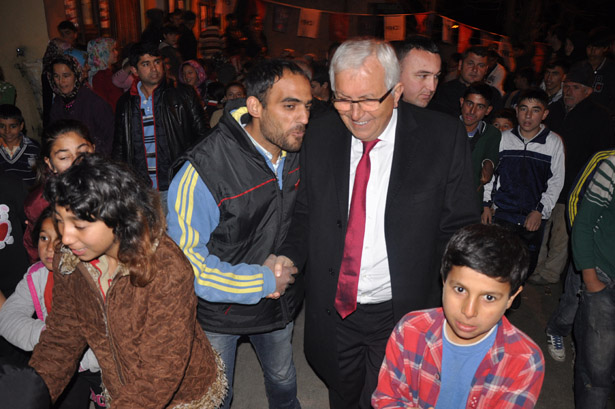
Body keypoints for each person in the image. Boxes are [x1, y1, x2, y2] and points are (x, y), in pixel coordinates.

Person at [273, 38, 478, 408]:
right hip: (333, 308)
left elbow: (458, 228)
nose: (355, 113)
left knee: (386, 398)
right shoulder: (320, 134)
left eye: (368, 99)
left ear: (396, 93)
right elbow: (304, 213)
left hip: (401, 309)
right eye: (343, 99)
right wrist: (288, 255)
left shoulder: (442, 137)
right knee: (342, 392)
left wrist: (463, 297)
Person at [167, 59, 311, 409]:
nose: (304, 118)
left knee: (283, 381)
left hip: (278, 304)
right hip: (219, 313)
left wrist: (286, 263)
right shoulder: (202, 170)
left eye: (307, 106)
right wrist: (263, 281)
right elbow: (187, 266)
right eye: (290, 106)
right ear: (255, 107)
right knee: (217, 396)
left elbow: (304, 216)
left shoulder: (297, 149)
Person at [28, 154, 226, 408]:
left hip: (180, 396)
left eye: (80, 225)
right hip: (123, 391)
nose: (64, 238)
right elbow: (61, 339)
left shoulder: (165, 269)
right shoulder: (70, 263)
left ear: (117, 217)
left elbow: (159, 373)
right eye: (59, 221)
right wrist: (30, 397)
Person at [372, 223, 545, 409]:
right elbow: (387, 399)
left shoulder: (525, 361)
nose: (469, 312)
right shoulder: (410, 330)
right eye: (460, 289)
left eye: (489, 297)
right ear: (444, 280)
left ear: (511, 298)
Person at [0, 207, 104, 409]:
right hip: (62, 360)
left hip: (99, 364)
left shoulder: (94, 277)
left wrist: (75, 351)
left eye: (59, 240)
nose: (49, 248)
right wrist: (50, 337)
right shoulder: (36, 275)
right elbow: (7, 317)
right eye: (44, 238)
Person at [532, 62, 615, 286]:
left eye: (575, 87)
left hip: (574, 185)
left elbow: (602, 155)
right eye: (567, 86)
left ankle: (550, 273)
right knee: (539, 228)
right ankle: (535, 267)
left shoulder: (599, 116)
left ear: (588, 91)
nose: (569, 91)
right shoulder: (554, 110)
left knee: (562, 233)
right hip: (547, 182)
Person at [113, 42, 208, 212]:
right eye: (146, 64)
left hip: (177, 185)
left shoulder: (183, 94)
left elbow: (204, 137)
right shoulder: (125, 103)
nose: (154, 68)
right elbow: (120, 147)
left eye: (157, 62)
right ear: (134, 70)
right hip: (141, 189)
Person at [482, 88, 565, 277]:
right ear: (516, 110)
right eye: (523, 109)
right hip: (502, 215)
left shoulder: (553, 143)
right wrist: (486, 204)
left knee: (523, 268)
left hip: (533, 218)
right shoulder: (504, 139)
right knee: (495, 265)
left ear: (544, 114)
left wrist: (540, 211)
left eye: (535, 110)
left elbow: (556, 181)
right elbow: (491, 174)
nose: (528, 116)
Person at [571, 152, 615, 408]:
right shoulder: (612, 166)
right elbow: (584, 223)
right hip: (604, 278)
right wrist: (591, 280)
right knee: (597, 373)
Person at [23, 119, 95, 263]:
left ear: (93, 149)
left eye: (83, 152)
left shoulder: (114, 188)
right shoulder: (39, 204)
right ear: (49, 163)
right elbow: (37, 253)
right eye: (64, 157)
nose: (76, 162)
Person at [48, 55, 114, 155]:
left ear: (76, 75)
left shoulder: (94, 103)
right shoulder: (57, 104)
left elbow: (110, 139)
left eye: (66, 76)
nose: (61, 81)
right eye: (56, 76)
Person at [458, 83, 502, 206]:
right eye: (469, 103)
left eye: (480, 106)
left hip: (472, 201)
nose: (472, 111)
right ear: (462, 102)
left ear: (488, 110)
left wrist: (488, 164)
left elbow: (491, 155)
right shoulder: (447, 128)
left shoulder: (492, 133)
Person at [429, 46, 503, 117]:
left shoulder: (493, 95)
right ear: (460, 65)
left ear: (486, 69)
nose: (475, 70)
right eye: (470, 64)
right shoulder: (443, 91)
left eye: (480, 65)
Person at [396, 35, 441, 108]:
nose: (432, 88)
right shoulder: (378, 112)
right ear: (397, 73)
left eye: (436, 76)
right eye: (423, 76)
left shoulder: (441, 113)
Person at [0, 104, 39, 186]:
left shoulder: (33, 148)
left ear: (21, 126)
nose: (7, 131)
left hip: (28, 193)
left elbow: (39, 176)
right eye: (2, 126)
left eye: (13, 126)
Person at [87, 38, 123, 112]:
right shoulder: (100, 76)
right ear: (102, 53)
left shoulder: (108, 73)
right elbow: (103, 105)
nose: (116, 52)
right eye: (112, 50)